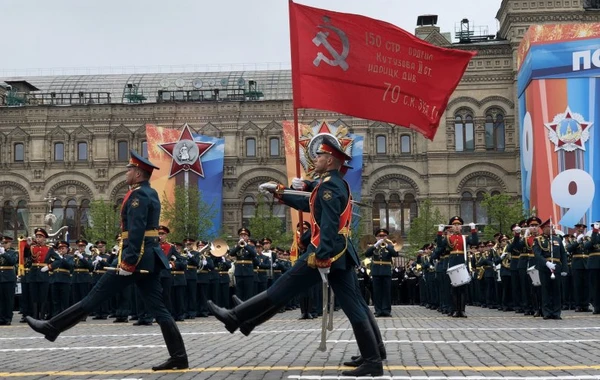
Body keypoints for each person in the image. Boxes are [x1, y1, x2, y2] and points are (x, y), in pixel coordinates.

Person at [208, 139, 384, 377]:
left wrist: (322, 255)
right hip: (339, 253)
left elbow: (330, 223)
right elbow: (310, 202)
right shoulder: (333, 184)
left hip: (325, 252)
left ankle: (236, 317)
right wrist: (281, 193)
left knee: (281, 289)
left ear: (330, 160)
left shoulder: (330, 187)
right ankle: (374, 356)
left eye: (320, 156)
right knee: (355, 305)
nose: (316, 159)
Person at [26, 150, 188, 371]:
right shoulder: (149, 193)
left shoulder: (139, 195)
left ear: (139, 174)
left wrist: (129, 261)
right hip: (148, 258)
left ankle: (52, 327)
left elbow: (137, 231)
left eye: (130, 169)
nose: (127, 172)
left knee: (93, 298)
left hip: (136, 259)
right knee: (159, 310)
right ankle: (179, 356)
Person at [365, 228, 398, 317]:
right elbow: (367, 254)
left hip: (386, 271)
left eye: (384, 236)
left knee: (386, 292)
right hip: (376, 271)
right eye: (380, 236)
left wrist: (387, 246)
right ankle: (378, 310)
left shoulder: (390, 246)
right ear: (376, 237)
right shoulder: (374, 246)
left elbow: (395, 254)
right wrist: (375, 245)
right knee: (377, 292)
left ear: (387, 237)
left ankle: (386, 310)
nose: (382, 237)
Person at [0, 236, 18, 325]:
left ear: (9, 243)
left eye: (5, 243)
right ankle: (1, 317)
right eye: (2, 243)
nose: (3, 245)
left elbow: (12, 262)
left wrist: (4, 254)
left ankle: (8, 318)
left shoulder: (13, 252)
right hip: (0, 278)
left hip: (9, 278)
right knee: (1, 299)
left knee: (9, 299)